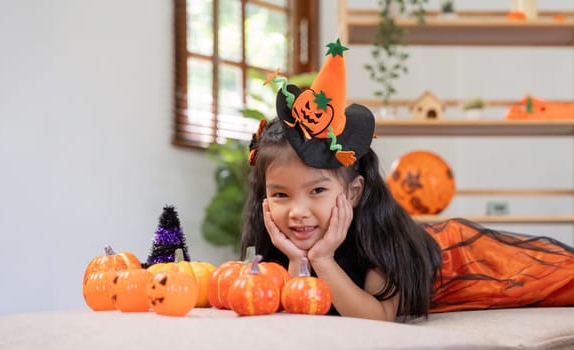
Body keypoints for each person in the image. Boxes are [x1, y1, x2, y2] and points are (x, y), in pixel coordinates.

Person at [240, 39, 574, 321]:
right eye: (281, 195)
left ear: (354, 192)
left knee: (555, 278)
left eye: (317, 190)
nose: (298, 211)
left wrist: (321, 260)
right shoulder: (277, 239)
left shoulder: (379, 235)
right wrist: (298, 262)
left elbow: (378, 319)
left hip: (459, 258)